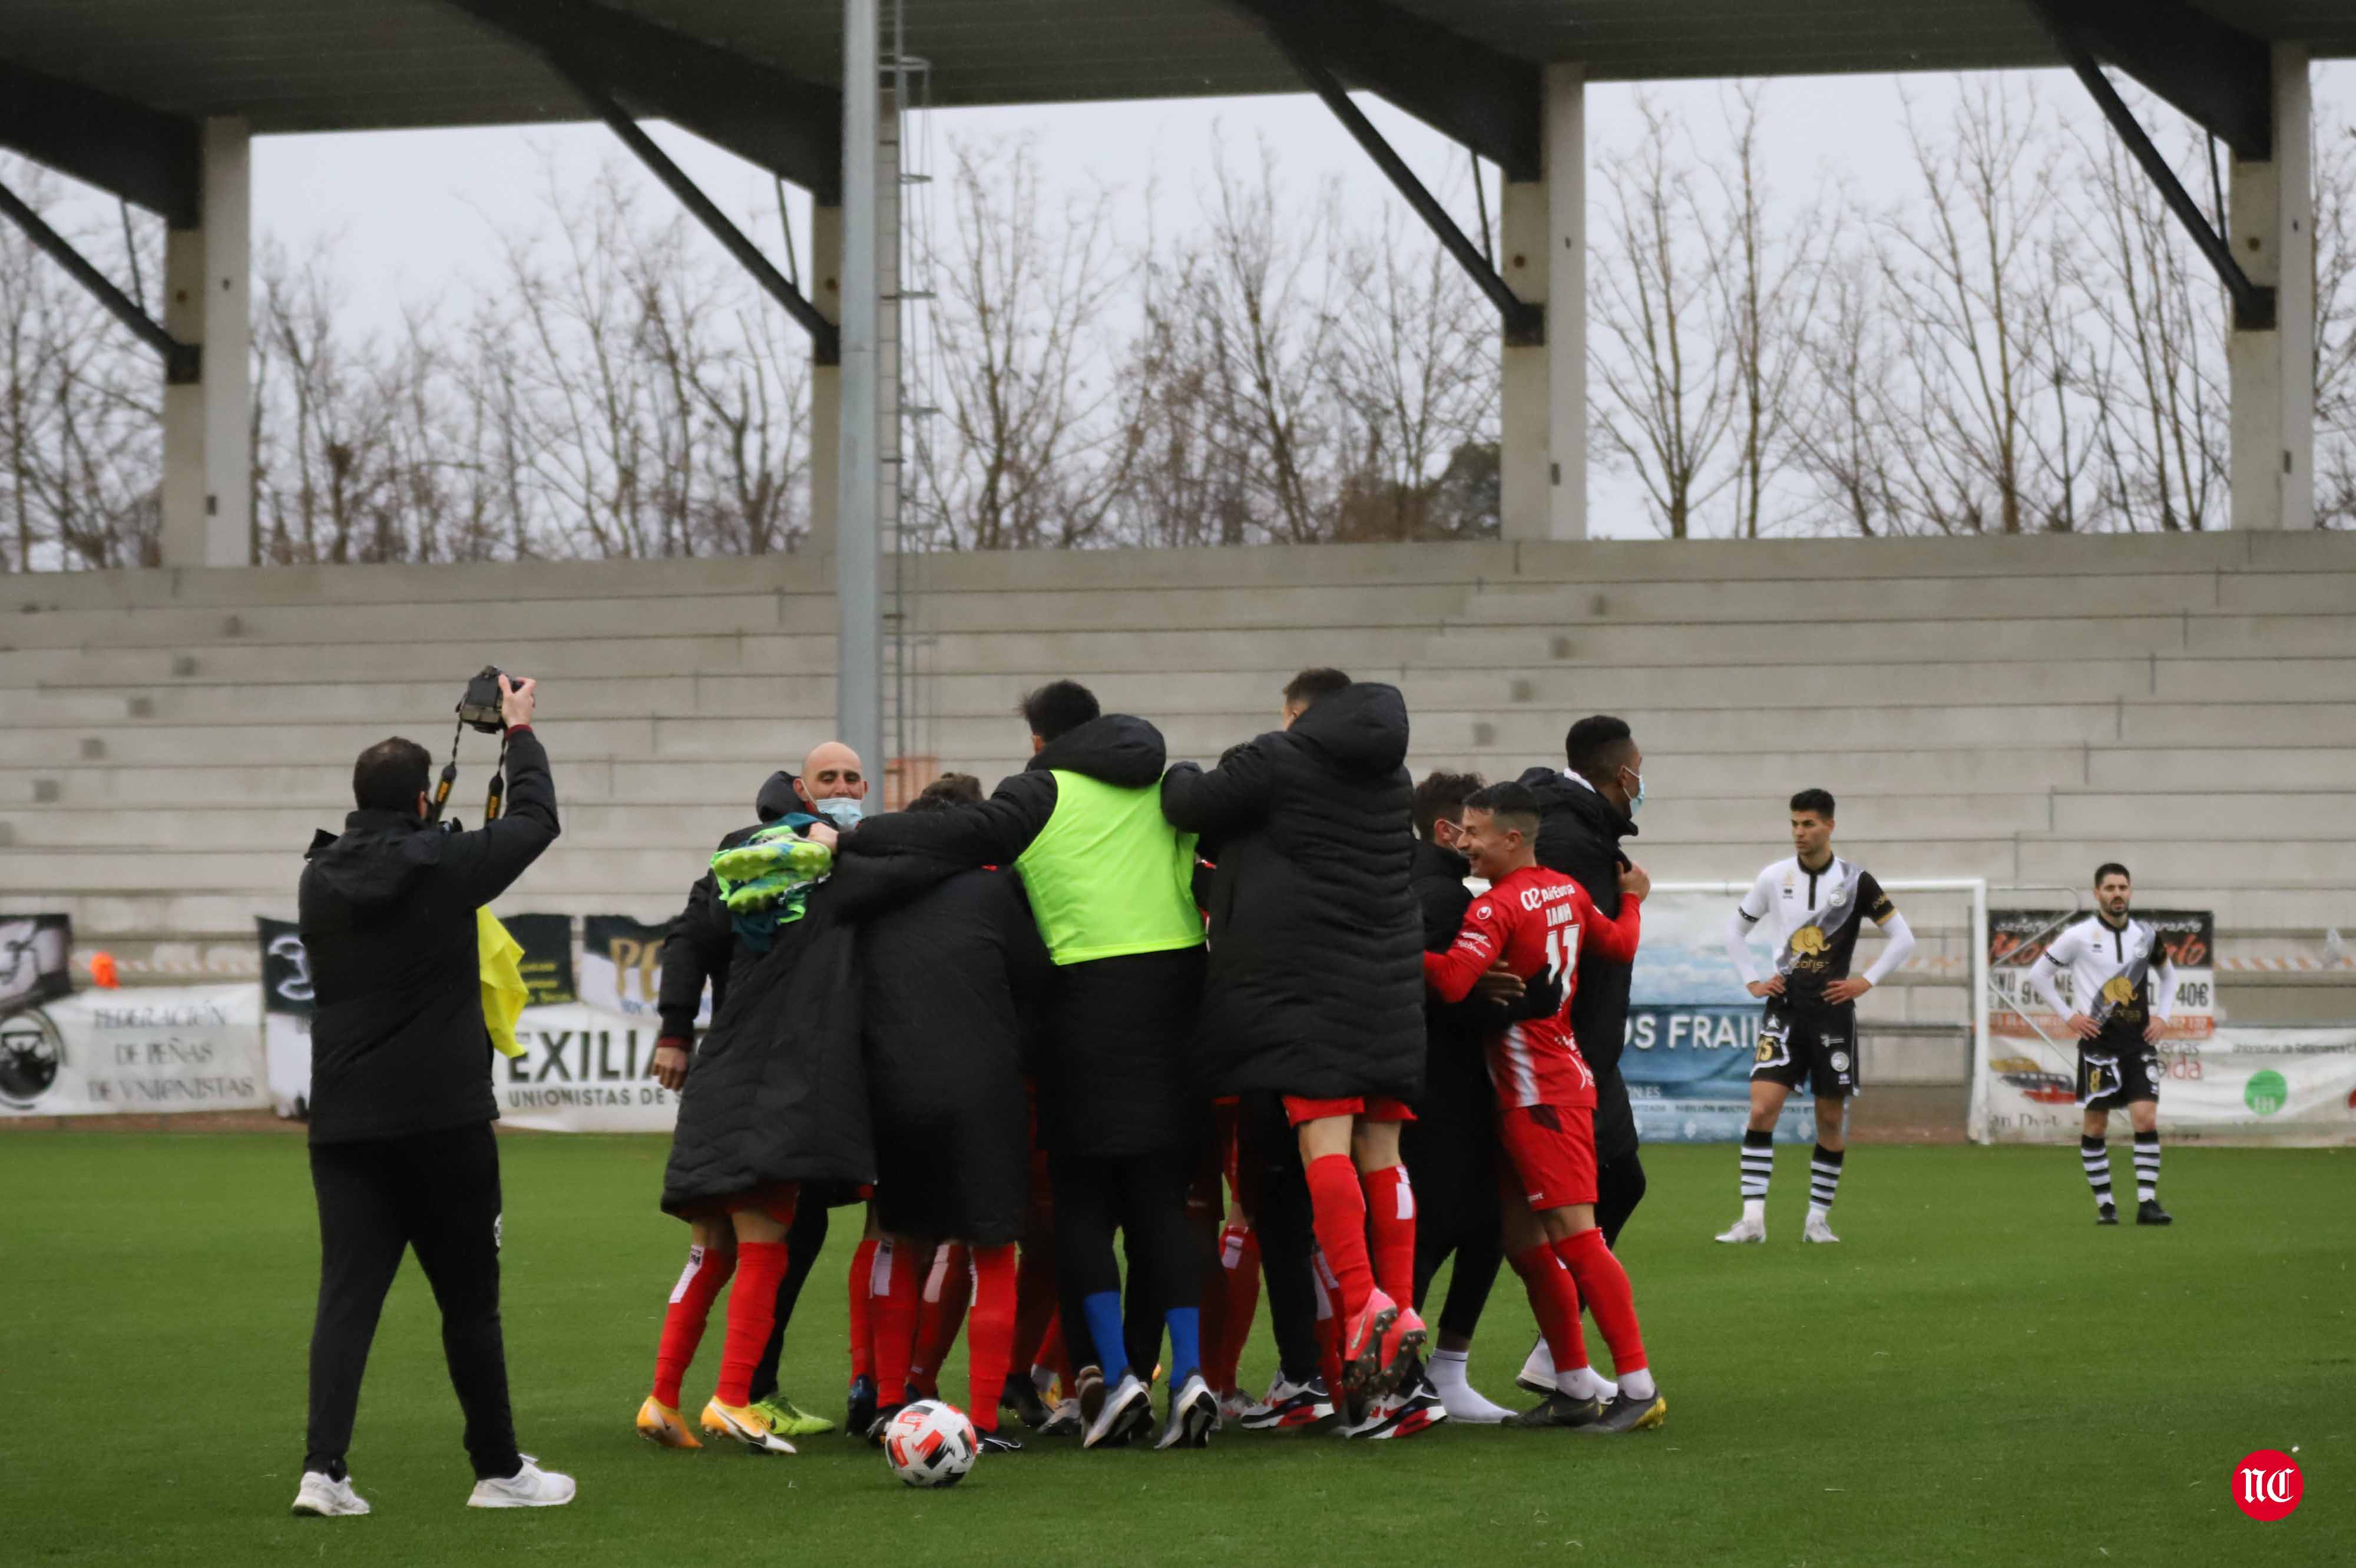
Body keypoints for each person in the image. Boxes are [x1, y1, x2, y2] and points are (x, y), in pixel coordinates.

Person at [835, 681, 1215, 1451]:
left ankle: (1115, 1374)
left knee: (1077, 1204)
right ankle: (1194, 1374)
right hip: (1176, 1005)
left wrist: (845, 836)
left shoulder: (1040, 791)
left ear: (1041, 742)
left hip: (1081, 1001)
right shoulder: (1167, 786)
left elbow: (961, 835)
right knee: (1161, 1204)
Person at [292, 674, 574, 1516]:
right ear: (424, 798)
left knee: (346, 1298)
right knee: (469, 1306)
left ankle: (325, 1470)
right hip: (444, 1117)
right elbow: (535, 822)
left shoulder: (316, 876)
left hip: (343, 1120)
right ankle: (498, 1470)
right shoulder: (446, 866)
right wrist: (518, 732)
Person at [1160, 668, 1428, 1414]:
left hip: (1306, 989)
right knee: (1385, 1153)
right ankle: (1400, 1311)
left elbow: (1188, 803)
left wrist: (1182, 767)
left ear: (1294, 713)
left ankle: (1362, 1302)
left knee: (1324, 1146)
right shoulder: (1391, 772)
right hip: (1388, 991)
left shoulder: (1276, 759)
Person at [1422, 782, 1665, 1434]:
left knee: (1577, 1240)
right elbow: (1617, 944)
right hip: (1543, 1081)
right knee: (1528, 1247)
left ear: (1511, 837)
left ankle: (1638, 1387)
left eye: (1473, 832)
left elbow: (1448, 982)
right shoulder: (1566, 888)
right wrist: (1635, 899)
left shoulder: (1495, 909)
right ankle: (1575, 1383)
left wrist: (1376, 946)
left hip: (1540, 1093)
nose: (1463, 843)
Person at [833, 773, 1055, 1449]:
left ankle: (893, 1403)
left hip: (893, 1088)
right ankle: (983, 1419)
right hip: (981, 1088)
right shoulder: (995, 888)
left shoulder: (866, 893)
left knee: (899, 1244)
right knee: (991, 1253)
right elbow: (1037, 985)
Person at [658, 800, 872, 1454]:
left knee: (708, 1250)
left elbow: (688, 936)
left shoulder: (736, 909)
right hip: (775, 1093)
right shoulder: (818, 920)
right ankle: (731, 1396)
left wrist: (673, 1029)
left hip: (717, 1081)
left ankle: (662, 1397)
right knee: (763, 1246)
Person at [1403, 770, 1556, 1427]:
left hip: (1430, 1084)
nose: (1472, 839)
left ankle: (1423, 1371)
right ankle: (1414, 1373)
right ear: (1445, 830)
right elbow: (1454, 992)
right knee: (1450, 1228)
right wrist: (1527, 993)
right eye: (1466, 829)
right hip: (1444, 1088)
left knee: (1462, 1226)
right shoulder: (1443, 898)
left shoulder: (1429, 889)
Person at [1510, 716, 1647, 1401]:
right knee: (1568, 1207)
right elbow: (1583, 949)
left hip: (1576, 1051)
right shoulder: (1572, 840)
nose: (1642, 785)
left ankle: (1552, 1359)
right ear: (1618, 774)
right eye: (1638, 771)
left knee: (1518, 1215)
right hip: (1565, 1055)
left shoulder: (1577, 828)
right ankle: (1582, 1364)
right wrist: (1631, 899)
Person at [1716, 789, 1916, 1245]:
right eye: (1794, 824)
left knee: (1829, 1118)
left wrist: (1865, 981)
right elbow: (1735, 930)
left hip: (1832, 1016)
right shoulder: (1774, 877)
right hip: (1784, 1011)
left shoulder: (1856, 881)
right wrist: (1752, 980)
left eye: (1808, 824)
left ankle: (1816, 1221)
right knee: (1762, 1109)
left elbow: (1903, 939)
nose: (1799, 833)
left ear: (1829, 826)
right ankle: (1752, 1221)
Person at [2026, 864, 2178, 1226]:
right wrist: (2069, 1016)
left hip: (2138, 1042)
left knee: (2146, 1118)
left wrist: (2163, 1017)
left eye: (2123, 887)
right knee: (2096, 1126)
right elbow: (2038, 975)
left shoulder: (2147, 935)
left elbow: (2169, 977)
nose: (2117, 894)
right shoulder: (2079, 935)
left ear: (2131, 891)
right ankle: (2107, 1206)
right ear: (2097, 894)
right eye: (2109, 888)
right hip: (2098, 1045)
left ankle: (2147, 1203)